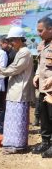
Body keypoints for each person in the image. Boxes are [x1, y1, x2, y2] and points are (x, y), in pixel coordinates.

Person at [0, 26, 35, 154]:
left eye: (13, 40)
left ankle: (17, 146)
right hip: (15, 90)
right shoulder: (21, 52)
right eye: (10, 41)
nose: (11, 43)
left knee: (18, 120)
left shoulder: (24, 52)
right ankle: (12, 144)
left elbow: (15, 69)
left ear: (20, 39)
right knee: (12, 120)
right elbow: (13, 68)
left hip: (20, 91)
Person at [32, 17, 52, 158]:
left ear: (50, 29)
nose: (38, 33)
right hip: (43, 88)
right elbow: (41, 64)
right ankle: (46, 142)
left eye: (41, 30)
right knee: (44, 117)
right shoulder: (42, 44)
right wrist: (37, 75)